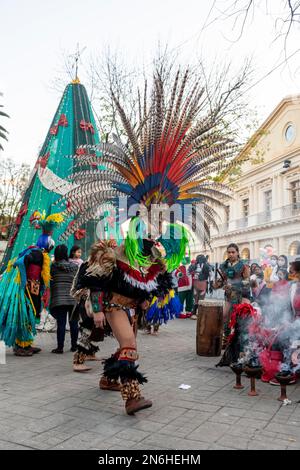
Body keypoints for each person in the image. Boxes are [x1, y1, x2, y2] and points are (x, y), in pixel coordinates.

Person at [71, 217, 187, 415]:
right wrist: (97, 309)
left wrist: (146, 298)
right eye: (148, 232)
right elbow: (95, 280)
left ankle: (108, 379)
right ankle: (132, 397)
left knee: (128, 346)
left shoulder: (152, 258)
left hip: (130, 310)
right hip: (113, 306)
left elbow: (153, 285)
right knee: (129, 345)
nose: (152, 237)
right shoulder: (114, 253)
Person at [0, 211, 63, 356]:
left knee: (32, 313)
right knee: (26, 314)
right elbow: (20, 263)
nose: (49, 250)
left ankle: (27, 343)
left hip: (33, 288)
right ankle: (20, 346)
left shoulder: (39, 254)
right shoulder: (36, 253)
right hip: (28, 288)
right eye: (49, 247)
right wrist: (23, 282)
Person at [214, 243, 250, 346]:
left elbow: (247, 282)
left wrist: (234, 286)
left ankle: (237, 341)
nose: (231, 254)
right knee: (225, 316)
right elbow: (223, 281)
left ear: (238, 253)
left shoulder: (243, 266)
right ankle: (226, 338)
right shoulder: (224, 265)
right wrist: (218, 284)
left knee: (238, 318)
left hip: (240, 295)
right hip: (228, 295)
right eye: (229, 252)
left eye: (233, 252)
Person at [49, 244, 79, 354]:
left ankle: (60, 348)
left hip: (59, 298)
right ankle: (74, 346)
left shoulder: (54, 266)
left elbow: (51, 280)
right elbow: (77, 282)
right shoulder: (75, 266)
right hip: (72, 298)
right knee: (74, 323)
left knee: (61, 324)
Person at [188, 254, 210, 319]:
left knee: (201, 300)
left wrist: (211, 283)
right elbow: (188, 272)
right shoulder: (194, 266)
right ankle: (194, 313)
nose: (200, 260)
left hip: (203, 284)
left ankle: (199, 313)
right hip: (196, 284)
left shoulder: (207, 266)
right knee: (196, 299)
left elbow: (210, 274)